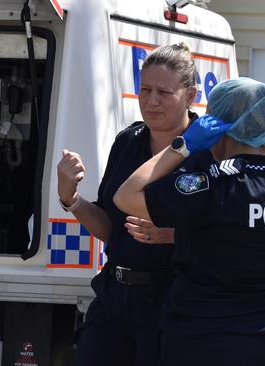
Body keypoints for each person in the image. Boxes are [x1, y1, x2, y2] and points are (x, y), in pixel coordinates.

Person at [113, 77, 265, 366]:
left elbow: (126, 196)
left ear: (221, 132)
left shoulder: (215, 187)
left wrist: (182, 146)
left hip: (208, 341)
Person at [57, 43, 198, 366]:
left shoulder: (210, 151)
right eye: (145, 89)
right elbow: (111, 228)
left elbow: (235, 233)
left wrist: (175, 235)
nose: (151, 101)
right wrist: (70, 198)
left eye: (164, 92)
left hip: (175, 300)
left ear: (190, 96)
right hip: (115, 297)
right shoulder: (127, 142)